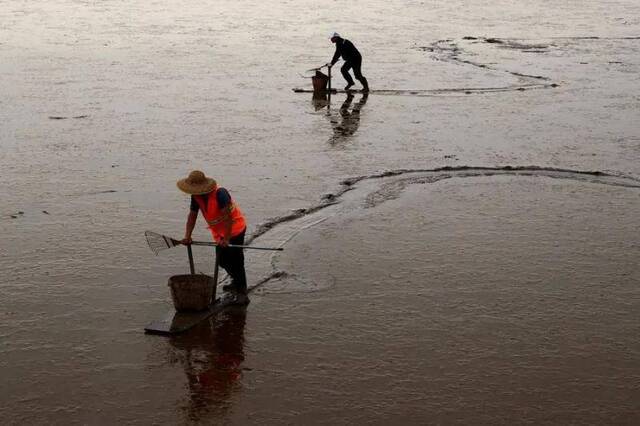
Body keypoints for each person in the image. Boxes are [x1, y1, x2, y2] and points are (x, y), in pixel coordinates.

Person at [177, 170, 248, 299]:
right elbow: (192, 216)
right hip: (220, 232)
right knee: (222, 260)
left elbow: (228, 218)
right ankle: (235, 281)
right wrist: (187, 236)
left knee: (236, 260)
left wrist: (226, 239)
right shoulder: (196, 197)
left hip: (235, 228)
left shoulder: (220, 194)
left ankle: (242, 292)